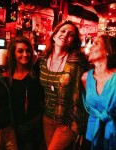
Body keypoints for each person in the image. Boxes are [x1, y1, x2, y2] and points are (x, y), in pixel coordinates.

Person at [39, 20, 89, 150]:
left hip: (67, 122)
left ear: (73, 41)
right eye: (63, 31)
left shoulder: (77, 61)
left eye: (71, 34)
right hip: (47, 118)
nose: (65, 35)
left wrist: (79, 123)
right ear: (54, 35)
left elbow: (82, 93)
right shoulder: (43, 60)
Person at [7, 36, 45, 150]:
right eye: (20, 51)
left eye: (28, 50)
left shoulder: (37, 72)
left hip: (37, 125)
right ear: (13, 53)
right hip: (17, 128)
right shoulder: (6, 78)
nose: (25, 54)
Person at [81, 35, 116, 150]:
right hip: (91, 136)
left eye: (96, 44)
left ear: (108, 50)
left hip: (113, 137)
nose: (90, 47)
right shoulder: (86, 78)